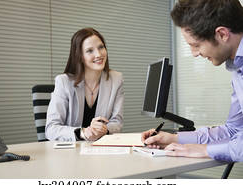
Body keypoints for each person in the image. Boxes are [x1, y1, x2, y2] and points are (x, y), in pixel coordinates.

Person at [142, 0, 243, 162]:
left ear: (222, 34)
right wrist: (174, 139)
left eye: (196, 45)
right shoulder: (237, 67)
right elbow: (233, 130)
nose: (194, 53)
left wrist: (204, 150)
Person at [46, 28, 124, 142]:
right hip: (70, 153)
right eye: (89, 51)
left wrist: (104, 129)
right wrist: (83, 133)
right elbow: (51, 128)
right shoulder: (63, 82)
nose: (98, 54)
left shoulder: (116, 79)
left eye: (101, 47)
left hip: (101, 151)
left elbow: (117, 122)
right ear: (80, 56)